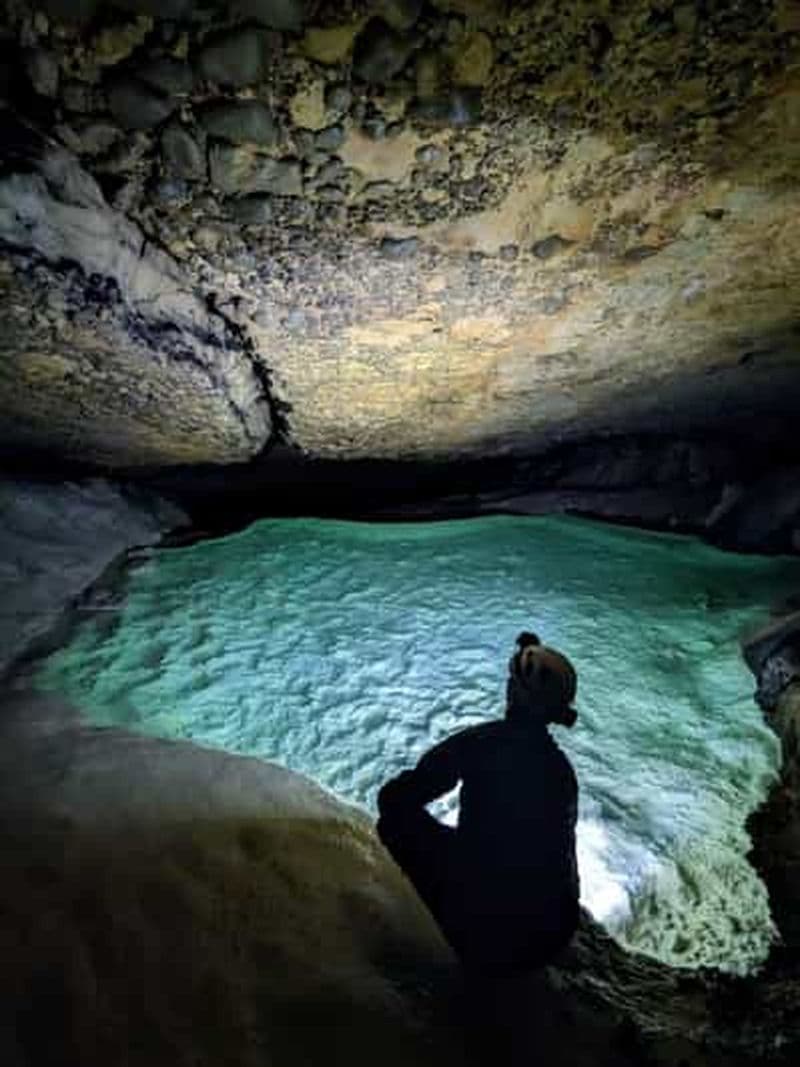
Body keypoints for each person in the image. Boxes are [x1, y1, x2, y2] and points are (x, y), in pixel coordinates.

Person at [377, 631, 580, 974]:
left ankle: (455, 940)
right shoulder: (563, 773)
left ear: (513, 691)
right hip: (552, 936)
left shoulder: (481, 744)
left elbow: (399, 797)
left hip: (490, 937)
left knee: (394, 821)